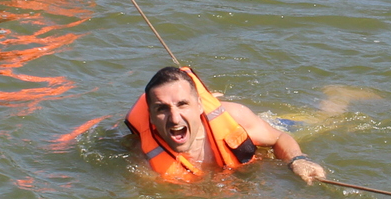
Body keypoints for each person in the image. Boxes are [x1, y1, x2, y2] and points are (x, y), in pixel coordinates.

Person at [125, 66, 326, 184]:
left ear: (200, 106)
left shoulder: (235, 116)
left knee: (324, 119)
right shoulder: (143, 155)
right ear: (150, 116)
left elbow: (279, 137)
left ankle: (337, 96)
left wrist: (298, 160)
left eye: (183, 104)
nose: (174, 118)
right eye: (162, 109)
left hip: (272, 125)